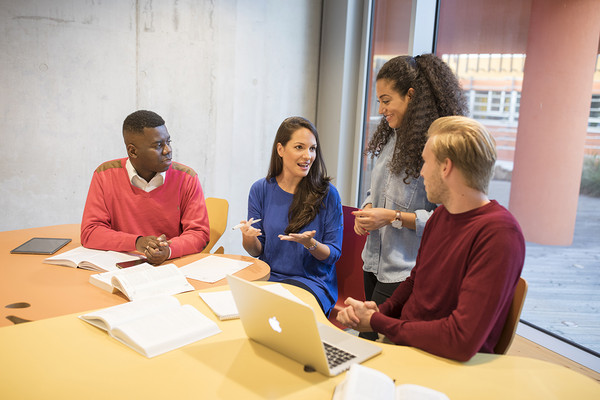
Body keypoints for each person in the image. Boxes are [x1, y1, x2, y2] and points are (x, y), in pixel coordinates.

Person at [337, 116, 525, 362]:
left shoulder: (499, 234)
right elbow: (416, 281)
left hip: (444, 363)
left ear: (446, 167)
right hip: (409, 346)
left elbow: (461, 340)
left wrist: (377, 321)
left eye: (425, 162)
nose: (422, 172)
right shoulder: (442, 216)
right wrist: (381, 310)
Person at [353, 54, 468, 340]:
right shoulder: (392, 138)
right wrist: (369, 208)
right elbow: (375, 190)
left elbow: (446, 223)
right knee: (368, 343)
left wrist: (392, 217)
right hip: (373, 261)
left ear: (411, 95)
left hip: (404, 272)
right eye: (379, 101)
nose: (381, 109)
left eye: (386, 100)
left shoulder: (437, 150)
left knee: (377, 349)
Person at [239, 116, 343, 316]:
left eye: (312, 149)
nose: (308, 156)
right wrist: (248, 237)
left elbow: (333, 254)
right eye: (299, 147)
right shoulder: (260, 189)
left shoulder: (328, 193)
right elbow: (255, 250)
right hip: (269, 277)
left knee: (279, 314)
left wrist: (310, 243)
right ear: (280, 149)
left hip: (312, 282)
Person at [81, 110, 210, 265]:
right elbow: (91, 232)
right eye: (158, 145)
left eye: (168, 142)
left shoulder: (187, 177)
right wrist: (137, 242)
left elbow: (199, 234)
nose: (168, 150)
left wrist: (168, 250)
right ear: (133, 151)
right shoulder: (105, 174)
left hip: (171, 266)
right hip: (120, 266)